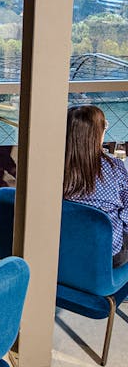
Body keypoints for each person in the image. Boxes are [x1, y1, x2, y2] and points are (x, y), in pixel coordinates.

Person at [64, 105, 128, 268]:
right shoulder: (114, 168)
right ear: (96, 134)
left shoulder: (54, 169)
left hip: (64, 248)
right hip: (107, 254)